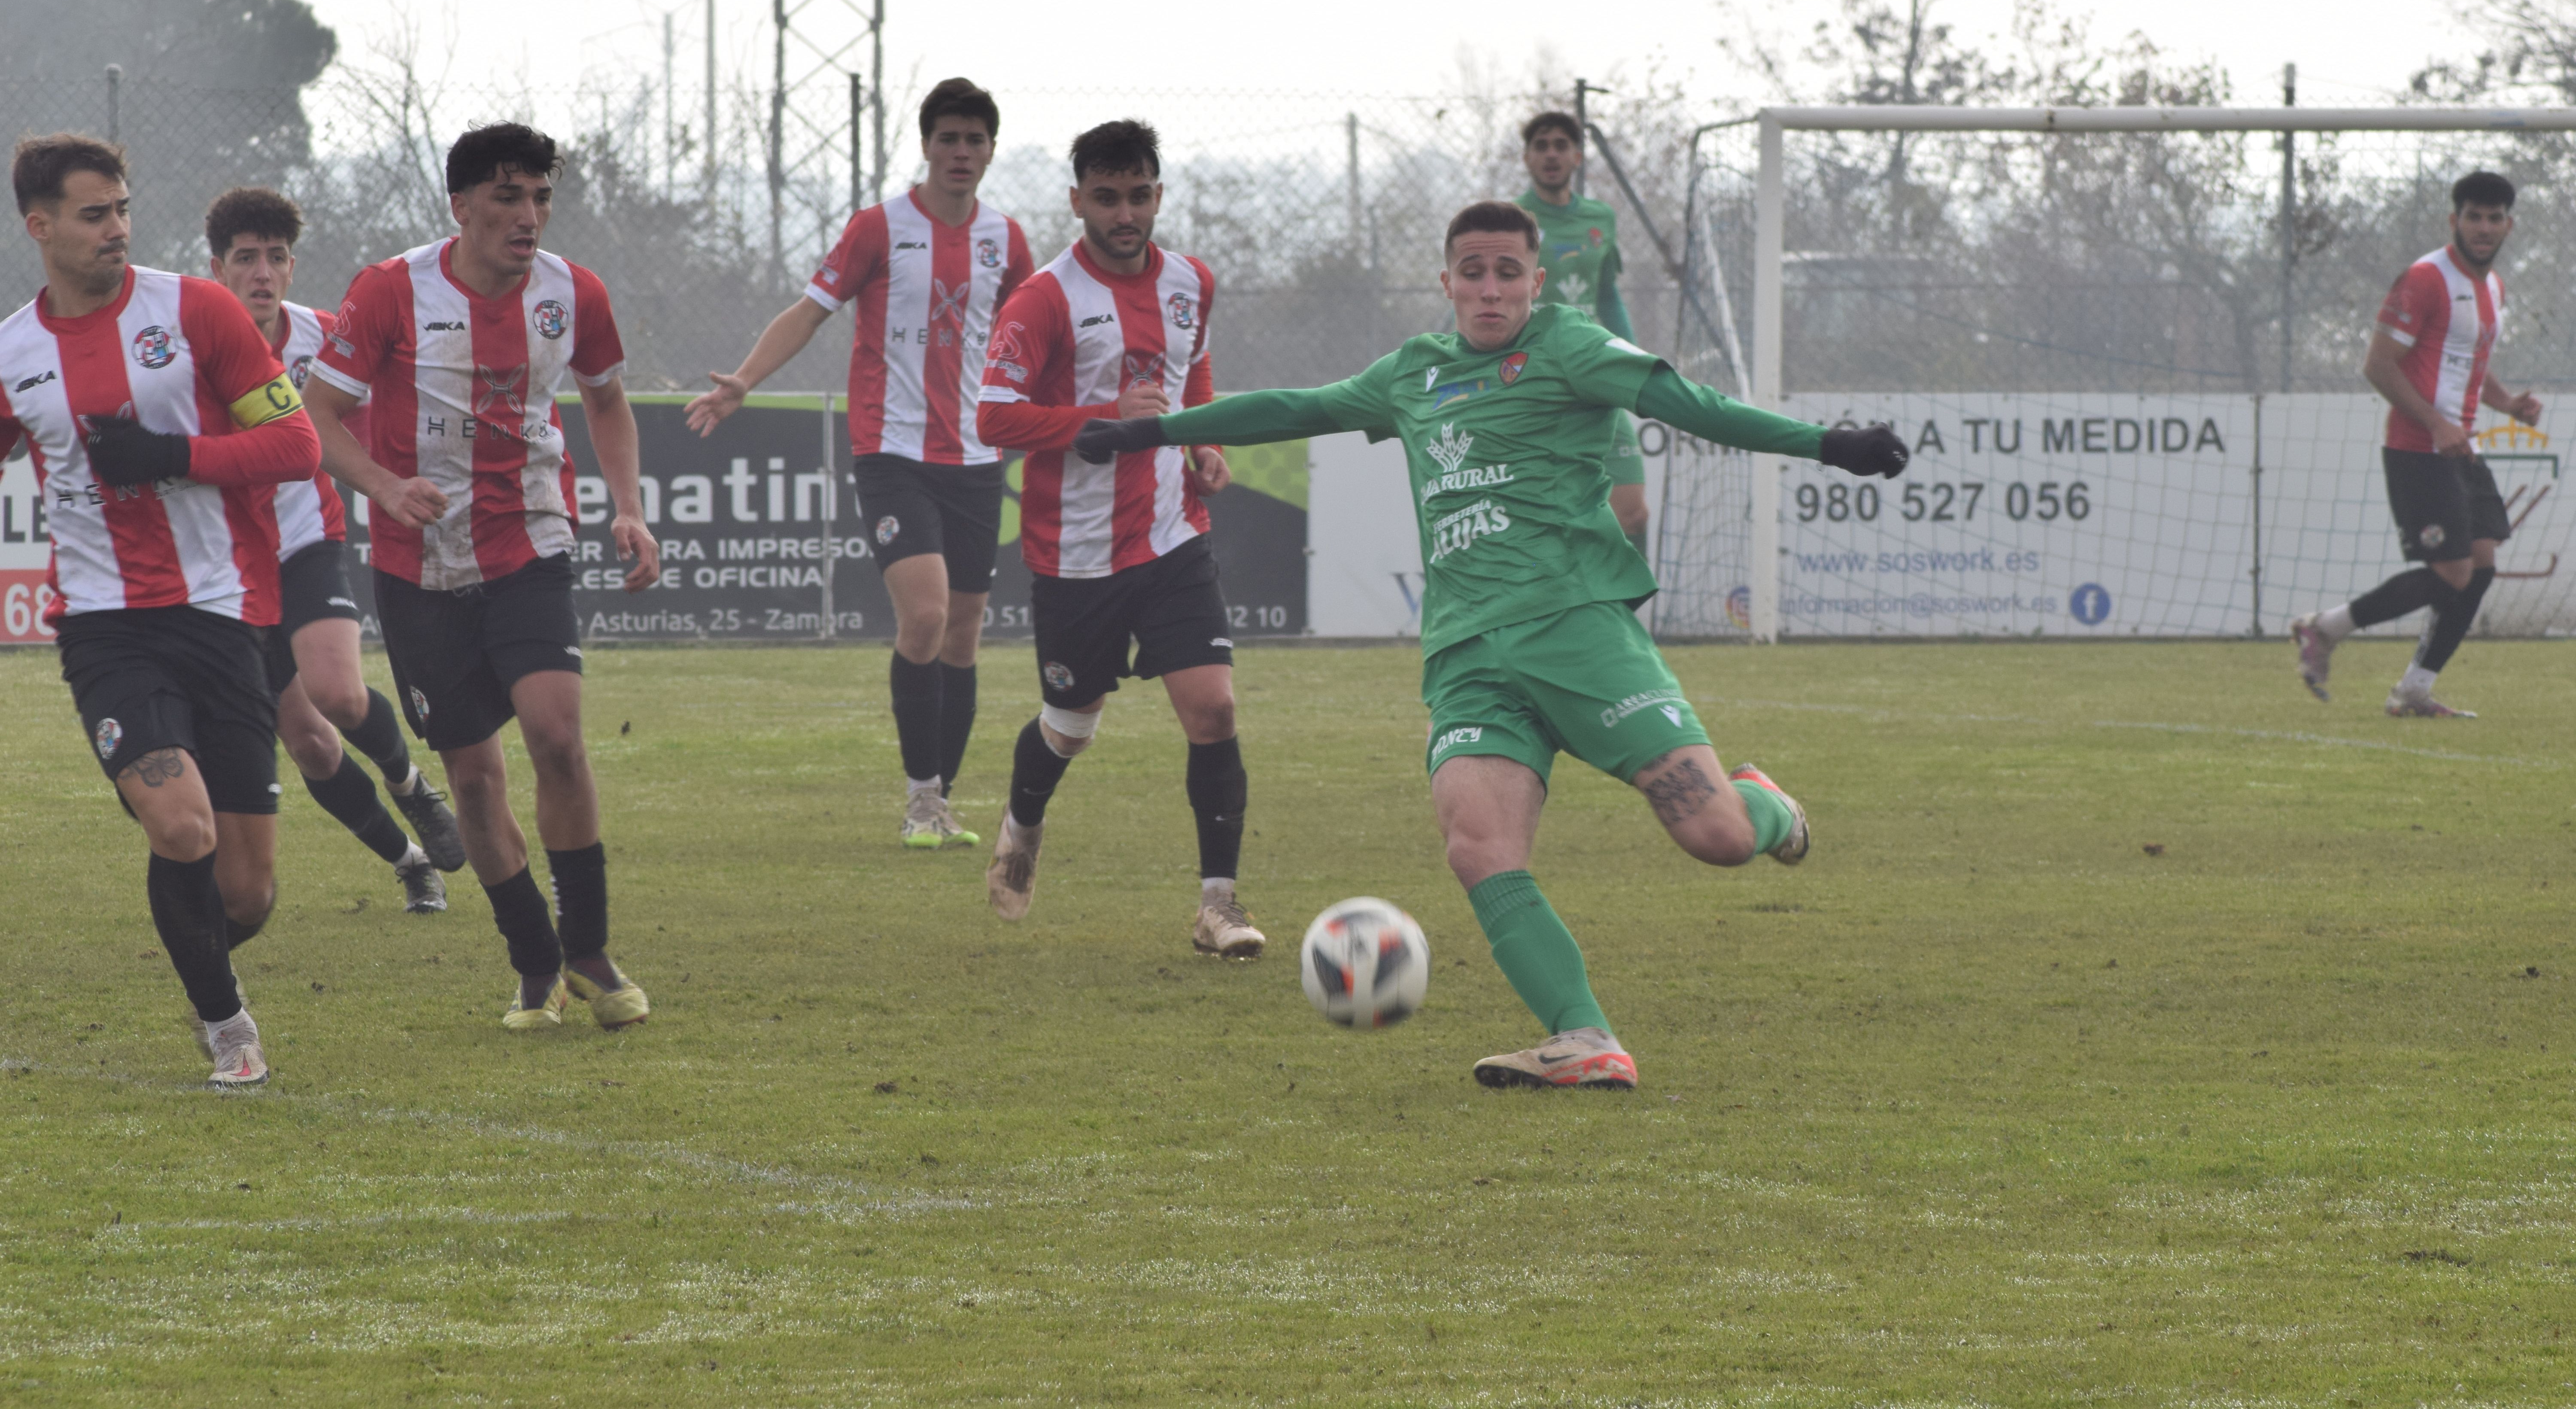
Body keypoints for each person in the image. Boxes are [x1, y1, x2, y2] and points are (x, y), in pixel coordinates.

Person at [1077, 200, 1908, 1086]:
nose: (1489, 287)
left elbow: (1688, 404)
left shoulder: (1573, 345)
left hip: (1579, 630)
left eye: (1508, 271)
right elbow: (1297, 407)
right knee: (1478, 845)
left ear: (1535, 281)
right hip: (1469, 657)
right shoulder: (1414, 372)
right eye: (1472, 270)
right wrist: (1153, 430)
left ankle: (1767, 805)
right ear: (1447, 282)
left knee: (1718, 837)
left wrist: (1828, 444)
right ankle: (1585, 1036)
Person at [301, 123, 661, 1031]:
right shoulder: (390, 290)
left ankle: (589, 948)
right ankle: (534, 963)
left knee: (558, 732)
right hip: (416, 565)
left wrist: (628, 505)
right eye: (508, 197)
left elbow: (607, 397)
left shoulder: (574, 291)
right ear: (461, 206)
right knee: (471, 778)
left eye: (540, 196)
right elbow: (321, 415)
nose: (528, 215)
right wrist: (385, 486)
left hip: (530, 541)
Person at [0, 134, 322, 1087]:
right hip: (106, 626)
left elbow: (296, 443)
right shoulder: (15, 349)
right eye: (95, 213)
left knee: (247, 889)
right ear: (41, 226)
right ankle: (230, 1029)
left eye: (123, 208)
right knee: (180, 826)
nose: (118, 228)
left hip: (223, 615)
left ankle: (204, 964)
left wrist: (173, 455)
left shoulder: (199, 309)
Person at [688, 79, 1032, 848]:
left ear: (991, 150)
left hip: (978, 455)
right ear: (926, 144)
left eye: (975, 140)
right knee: (928, 616)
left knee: (966, 633)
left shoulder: (1007, 241)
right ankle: (919, 799)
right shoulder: (880, 228)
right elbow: (811, 310)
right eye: (949, 138)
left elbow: (1037, 333)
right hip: (892, 453)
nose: (962, 153)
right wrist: (744, 379)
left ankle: (942, 799)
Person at [972, 118, 1265, 959]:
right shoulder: (1044, 298)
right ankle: (1023, 823)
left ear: (1159, 195)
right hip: (1075, 554)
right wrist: (1101, 420)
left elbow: (1190, 371)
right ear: (1078, 201)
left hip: (1174, 539)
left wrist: (1202, 442)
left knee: (1213, 708)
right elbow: (994, 414)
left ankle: (1219, 905)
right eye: (1106, 197)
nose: (1125, 212)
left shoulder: (1192, 282)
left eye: (1139, 195)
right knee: (1070, 724)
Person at [203, 187, 464, 912]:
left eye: (276, 258)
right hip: (229, 568)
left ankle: (413, 786)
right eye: (246, 258)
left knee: (340, 693)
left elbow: (374, 421)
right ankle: (411, 862)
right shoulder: (192, 342)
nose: (262, 272)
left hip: (308, 542)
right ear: (217, 268)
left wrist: (399, 483)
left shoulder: (323, 338)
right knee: (312, 747)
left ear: (291, 267)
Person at [2293, 171, 2540, 717]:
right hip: (2417, 447)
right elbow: (2378, 365)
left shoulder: (2494, 286)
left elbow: (2474, 362)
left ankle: (2413, 692)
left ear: (2509, 225)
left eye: (2494, 218)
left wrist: (2509, 405)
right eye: (2473, 216)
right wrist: (2434, 423)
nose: (2483, 227)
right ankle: (2326, 629)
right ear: (2454, 220)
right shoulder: (2425, 278)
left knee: (2480, 566)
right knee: (2454, 571)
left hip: (2458, 447)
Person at [1519, 112, 1649, 553]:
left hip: (1595, 375)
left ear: (1576, 156)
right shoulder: (1513, 220)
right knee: (1542, 525)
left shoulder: (1601, 219)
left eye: (1560, 145)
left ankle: (1621, 624)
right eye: (1541, 145)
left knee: (1632, 514)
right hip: (1534, 380)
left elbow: (1607, 295)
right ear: (1527, 157)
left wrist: (1633, 359)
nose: (1551, 153)